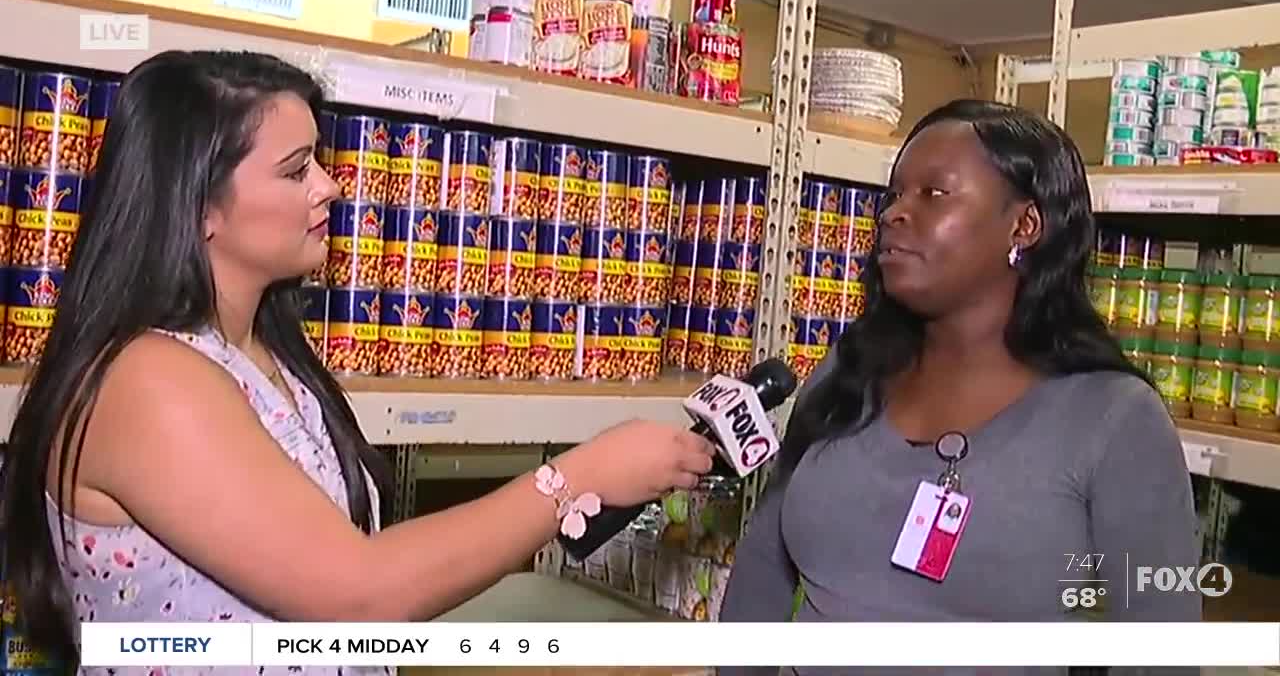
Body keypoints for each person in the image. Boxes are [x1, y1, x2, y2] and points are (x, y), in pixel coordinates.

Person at [0, 50, 715, 672]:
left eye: (319, 160)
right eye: (294, 170)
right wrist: (577, 478)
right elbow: (357, 593)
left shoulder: (267, 357)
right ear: (200, 207)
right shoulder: (148, 382)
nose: (329, 187)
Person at [719, 100, 1201, 674]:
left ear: (1024, 225)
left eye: (934, 194)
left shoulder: (1116, 419)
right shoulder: (847, 372)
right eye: (895, 195)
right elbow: (761, 577)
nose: (895, 213)